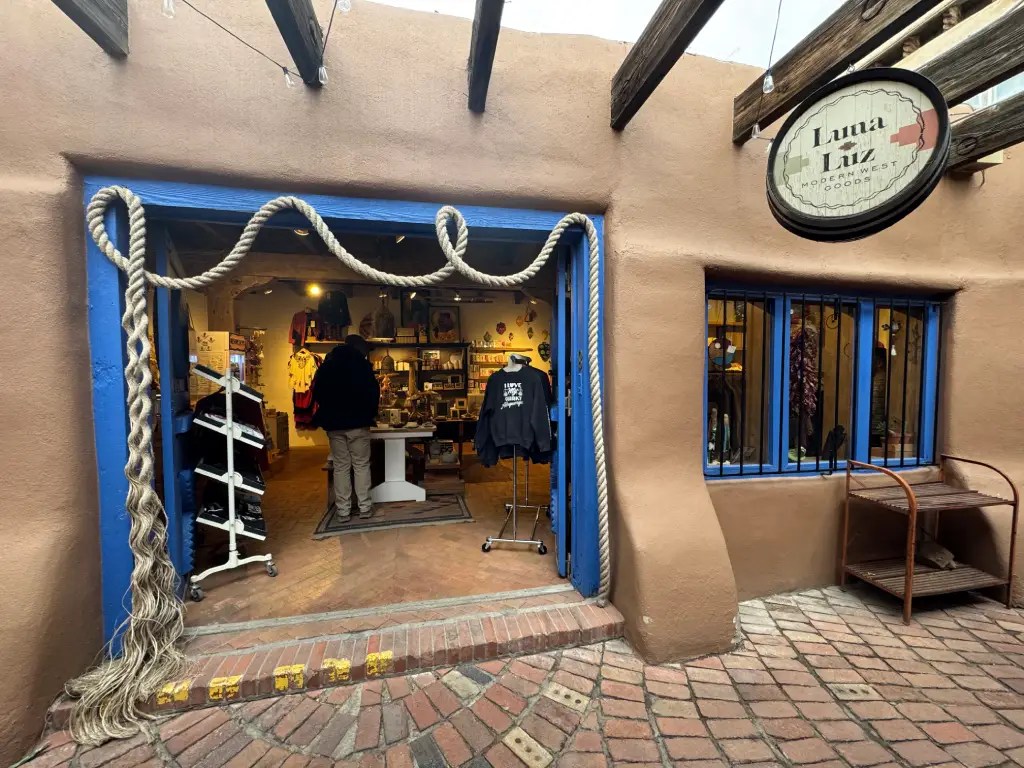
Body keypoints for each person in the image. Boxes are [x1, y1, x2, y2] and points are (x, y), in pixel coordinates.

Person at [311, 334, 380, 520]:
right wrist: (370, 412)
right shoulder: (362, 366)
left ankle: (343, 511)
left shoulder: (327, 366)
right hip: (358, 422)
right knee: (361, 465)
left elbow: (316, 392)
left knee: (341, 466)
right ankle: (364, 507)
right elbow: (373, 393)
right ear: (359, 349)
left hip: (334, 423)